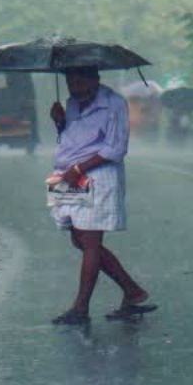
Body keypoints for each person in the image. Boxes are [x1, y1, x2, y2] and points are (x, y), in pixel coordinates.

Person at [46, 66, 151, 324]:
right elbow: (72, 140)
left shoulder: (113, 103)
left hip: (98, 176)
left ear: (95, 79)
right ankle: (132, 291)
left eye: (81, 78)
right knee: (79, 240)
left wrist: (80, 168)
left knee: (91, 242)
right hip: (67, 175)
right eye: (70, 79)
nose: (75, 84)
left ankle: (81, 308)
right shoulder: (71, 103)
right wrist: (60, 122)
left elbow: (115, 148)